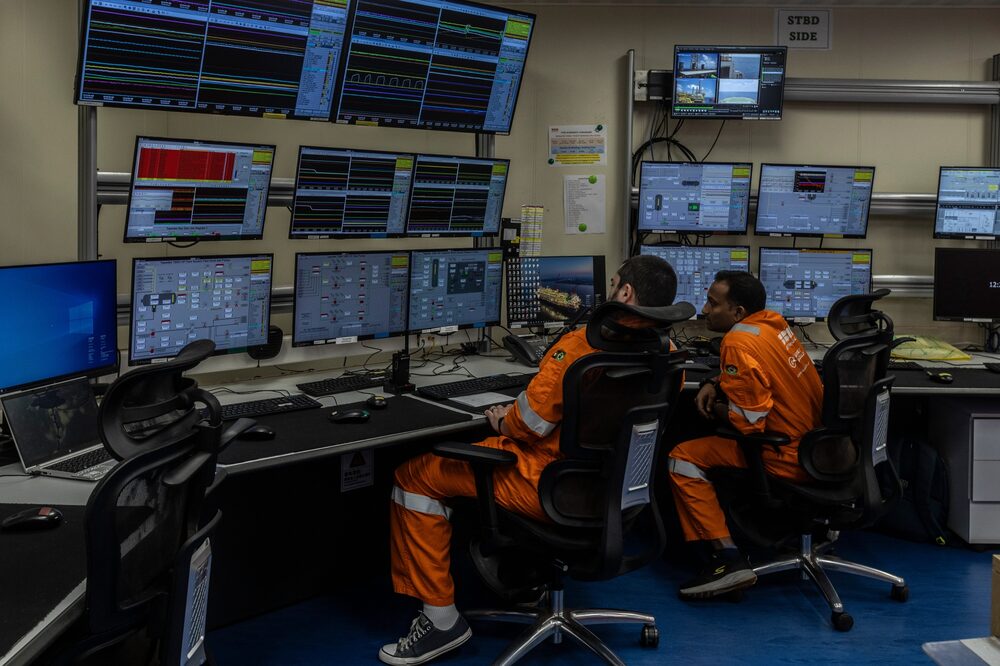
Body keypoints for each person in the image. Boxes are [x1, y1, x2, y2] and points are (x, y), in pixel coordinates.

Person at [380, 255, 679, 665]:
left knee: (413, 477)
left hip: (548, 488)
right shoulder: (668, 355)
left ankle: (442, 619)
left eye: (614, 284)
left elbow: (529, 425)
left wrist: (504, 420)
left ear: (625, 293)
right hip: (618, 494)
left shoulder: (579, 347)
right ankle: (526, 581)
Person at [667, 270, 822, 599]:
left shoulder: (736, 341)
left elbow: (748, 422)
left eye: (713, 303)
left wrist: (715, 408)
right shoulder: (773, 324)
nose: (705, 310)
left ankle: (728, 558)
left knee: (681, 457)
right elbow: (763, 371)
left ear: (738, 313)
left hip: (782, 455)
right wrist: (715, 381)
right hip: (815, 448)